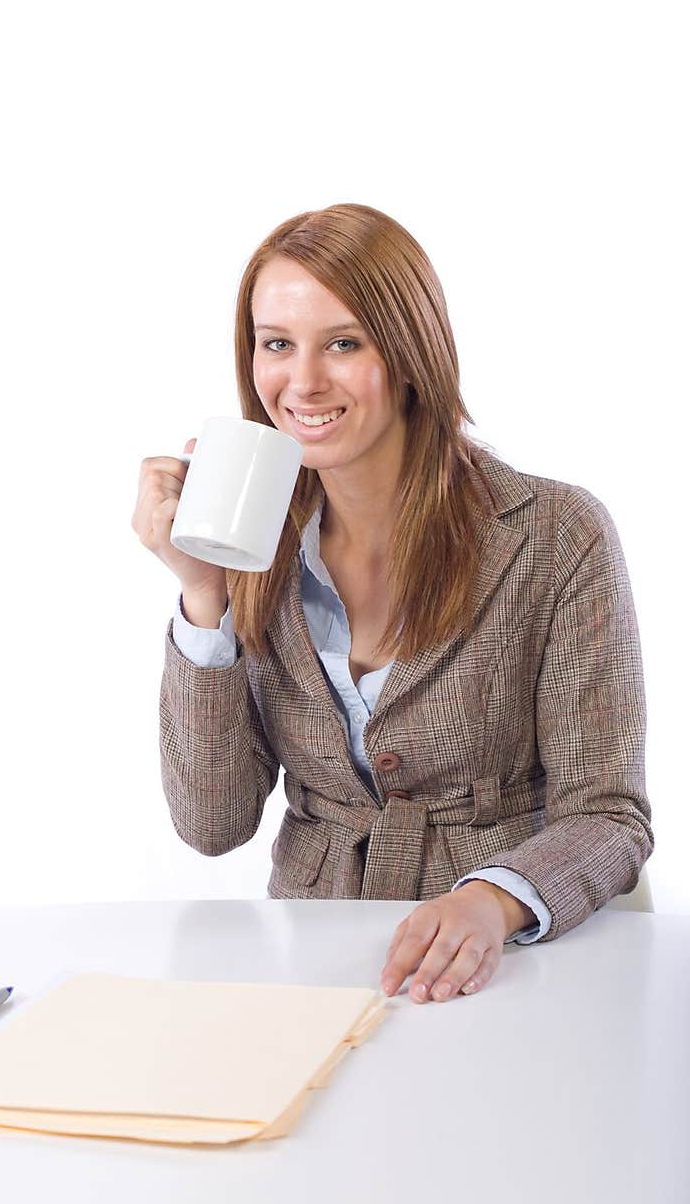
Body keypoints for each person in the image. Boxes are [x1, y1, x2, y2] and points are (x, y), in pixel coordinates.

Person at [132, 203, 653, 1005]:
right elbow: (214, 825)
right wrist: (204, 595)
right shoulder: (255, 535)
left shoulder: (555, 535)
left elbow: (610, 816)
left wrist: (492, 901)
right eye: (277, 344)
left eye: (343, 343)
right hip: (320, 963)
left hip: (519, 963)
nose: (302, 382)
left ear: (410, 354)